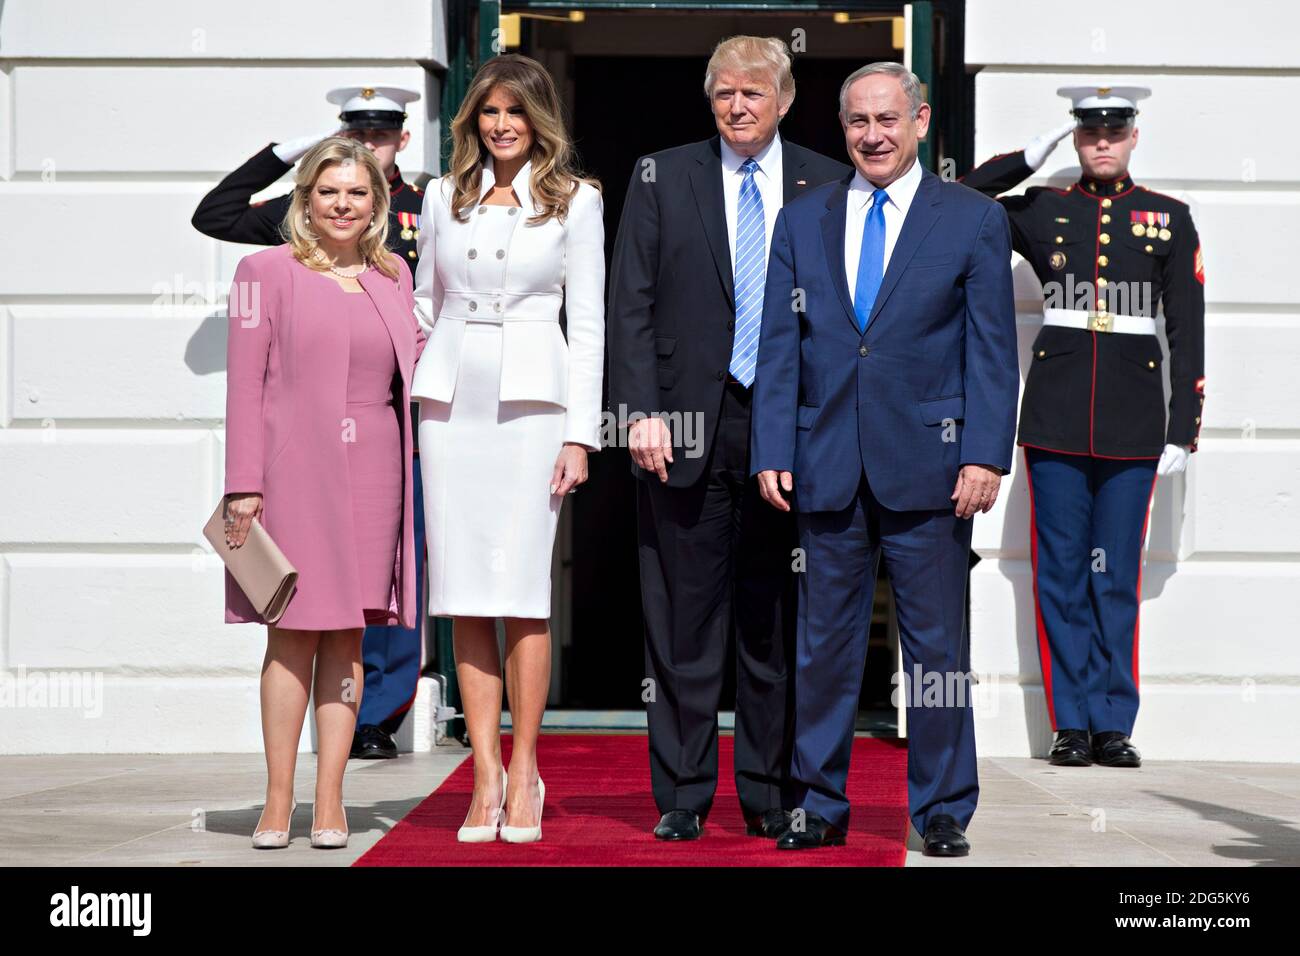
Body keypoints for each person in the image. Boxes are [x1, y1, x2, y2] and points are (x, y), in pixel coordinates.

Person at [750, 62, 1019, 856]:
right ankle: (819, 805)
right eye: (858, 121)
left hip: (934, 471)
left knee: (936, 652)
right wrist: (772, 444)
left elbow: (992, 352)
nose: (873, 134)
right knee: (822, 651)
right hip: (825, 463)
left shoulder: (971, 219)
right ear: (842, 127)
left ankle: (941, 808)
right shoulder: (802, 221)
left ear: (921, 121)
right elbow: (778, 345)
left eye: (888, 119)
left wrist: (983, 455)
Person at [607, 35, 849, 843]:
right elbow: (629, 304)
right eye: (723, 93)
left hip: (788, 427)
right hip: (678, 428)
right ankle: (682, 794)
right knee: (682, 620)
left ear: (784, 101)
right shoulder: (659, 175)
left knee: (774, 619)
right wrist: (637, 408)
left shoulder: (831, 179)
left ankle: (771, 791)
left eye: (753, 93)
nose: (737, 107)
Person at [961, 85, 1206, 769]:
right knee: (1060, 574)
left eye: (1115, 131)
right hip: (1056, 417)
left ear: (1133, 136)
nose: (1102, 142)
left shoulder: (1169, 218)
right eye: (1088, 132)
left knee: (1115, 577)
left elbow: (1189, 330)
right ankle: (1070, 722)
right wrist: (1027, 158)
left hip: (1133, 425)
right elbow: (962, 202)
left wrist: (1182, 430)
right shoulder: (1042, 210)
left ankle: (1112, 723)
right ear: (1075, 138)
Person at [193, 85, 429, 761]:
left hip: (384, 440)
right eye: (354, 137)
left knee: (373, 610)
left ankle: (376, 719)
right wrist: (294, 152)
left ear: (400, 145)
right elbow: (218, 212)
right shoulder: (277, 252)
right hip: (300, 452)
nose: (346, 197)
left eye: (378, 139)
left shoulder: (410, 228)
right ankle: (282, 794)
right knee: (294, 621)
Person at [411, 54, 604, 844]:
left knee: (522, 590)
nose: (500, 126)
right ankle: (483, 774)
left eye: (515, 113)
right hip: (450, 406)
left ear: (539, 119)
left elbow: (586, 323)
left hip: (534, 408)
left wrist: (580, 434)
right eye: (489, 113)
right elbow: (424, 304)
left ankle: (526, 767)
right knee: (464, 591)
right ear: (472, 121)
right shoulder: (439, 197)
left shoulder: (576, 202)